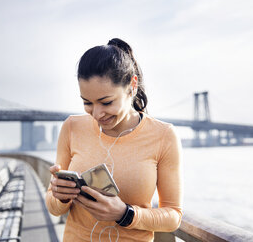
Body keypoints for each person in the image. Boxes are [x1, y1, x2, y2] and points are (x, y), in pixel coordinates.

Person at [46, 38, 182, 242]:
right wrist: (61, 196)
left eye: (106, 102)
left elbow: (173, 217)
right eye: (87, 103)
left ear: (132, 86)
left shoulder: (164, 135)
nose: (97, 113)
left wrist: (125, 214)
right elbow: (54, 207)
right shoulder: (72, 127)